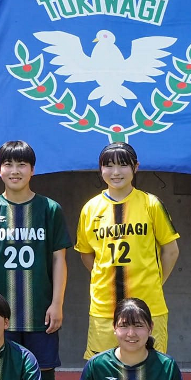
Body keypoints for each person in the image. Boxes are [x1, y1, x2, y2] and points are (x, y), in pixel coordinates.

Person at [0, 140, 70, 380]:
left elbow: (59, 259)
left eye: (21, 164)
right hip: (3, 313)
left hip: (40, 310)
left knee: (45, 373)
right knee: (3, 374)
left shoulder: (49, 209)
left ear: (32, 169)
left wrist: (57, 303)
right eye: (8, 164)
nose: (15, 171)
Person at [75, 143, 180, 360]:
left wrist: (156, 283)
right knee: (102, 372)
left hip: (149, 305)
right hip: (104, 308)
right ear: (100, 168)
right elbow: (86, 254)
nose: (116, 172)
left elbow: (171, 250)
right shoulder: (90, 208)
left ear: (136, 167)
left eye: (123, 165)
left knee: (152, 371)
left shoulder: (151, 204)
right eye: (109, 165)